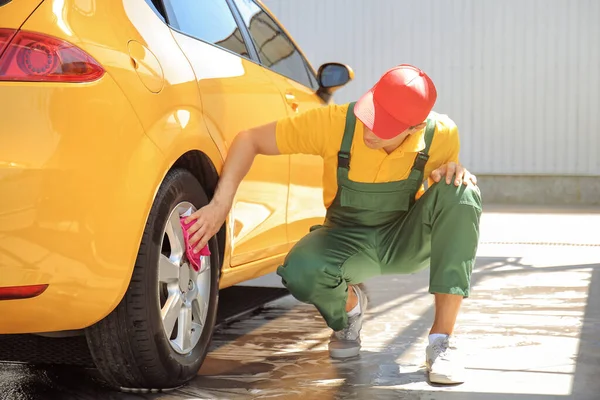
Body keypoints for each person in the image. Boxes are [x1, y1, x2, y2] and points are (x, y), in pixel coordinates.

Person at [184, 64, 482, 385]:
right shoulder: (336, 124)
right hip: (346, 240)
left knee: (462, 192)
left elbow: (444, 186)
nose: (369, 129)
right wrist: (219, 206)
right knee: (300, 272)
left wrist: (452, 172)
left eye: (383, 126)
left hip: (404, 241)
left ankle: (442, 341)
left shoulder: (441, 133)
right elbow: (250, 139)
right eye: (371, 114)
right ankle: (349, 310)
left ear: (415, 127)